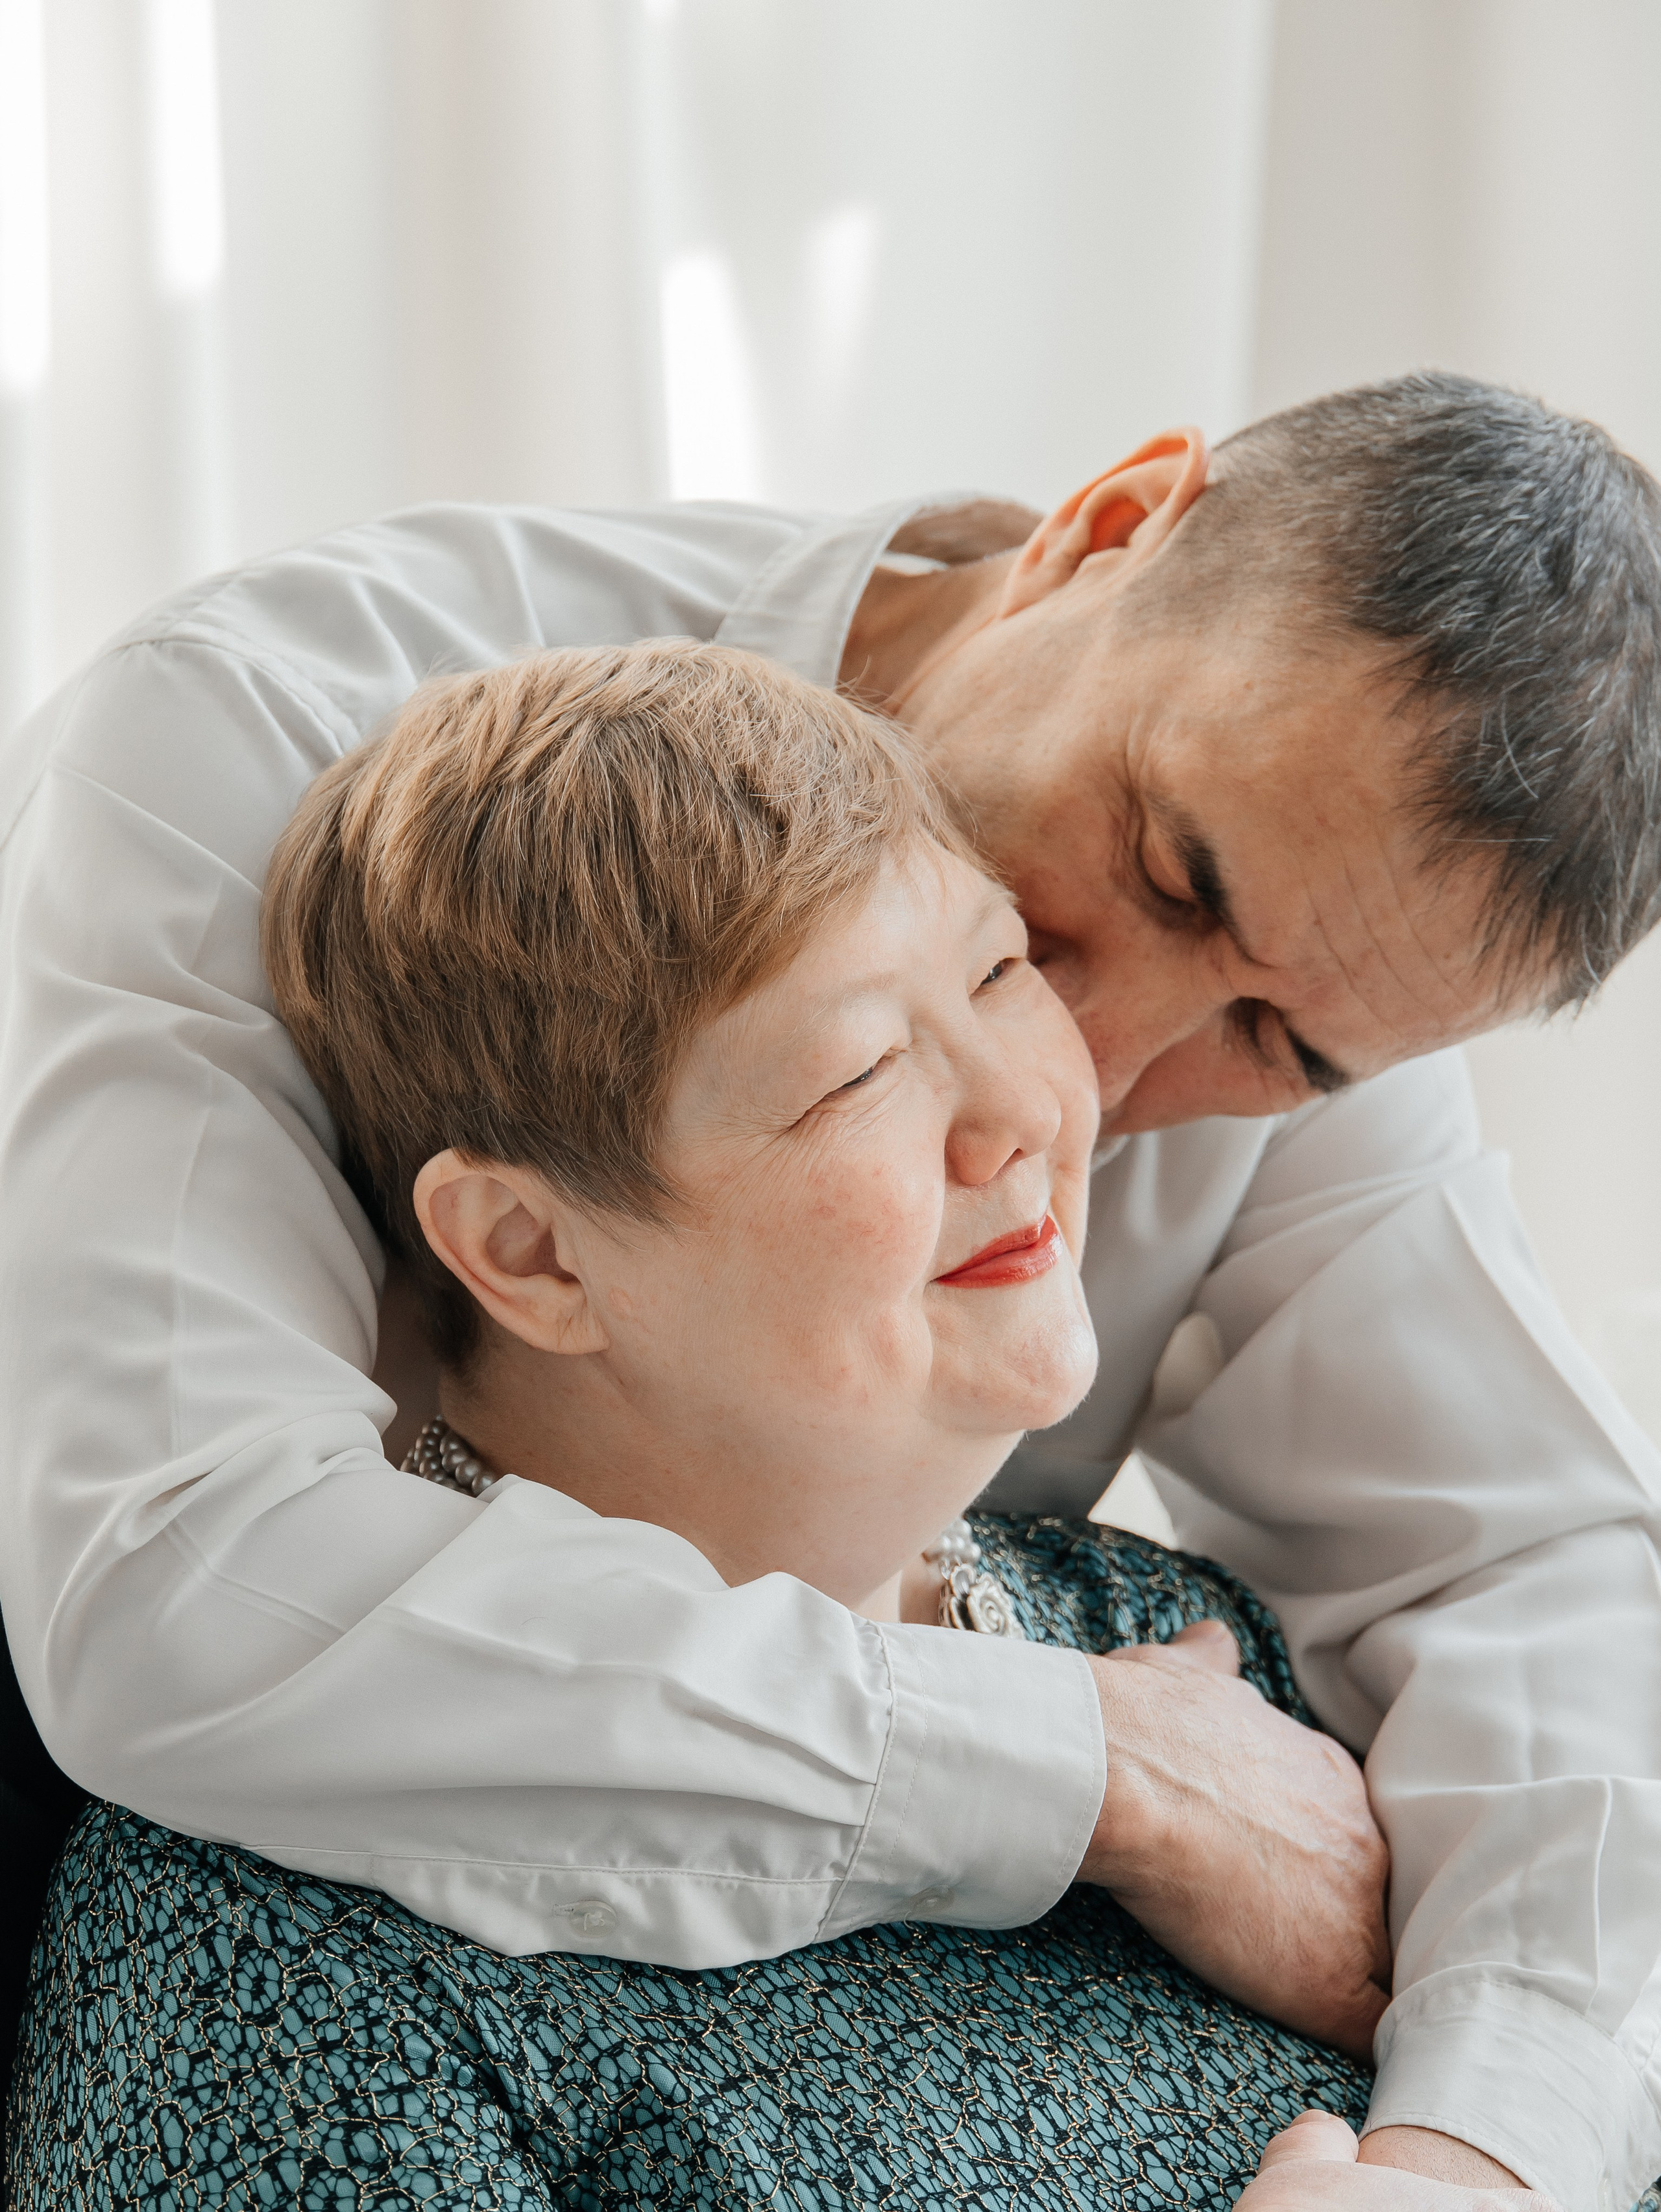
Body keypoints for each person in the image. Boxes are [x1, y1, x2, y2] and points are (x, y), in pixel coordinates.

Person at [3, 371, 1660, 2205]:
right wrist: (1096, 1767)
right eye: (1160, 875)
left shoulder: (1324, 944)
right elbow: (181, 1581)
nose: (1084, 1084)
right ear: (1107, 526)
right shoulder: (243, 737)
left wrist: (1477, 2157)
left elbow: (1520, 1574)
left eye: (1276, 1044)